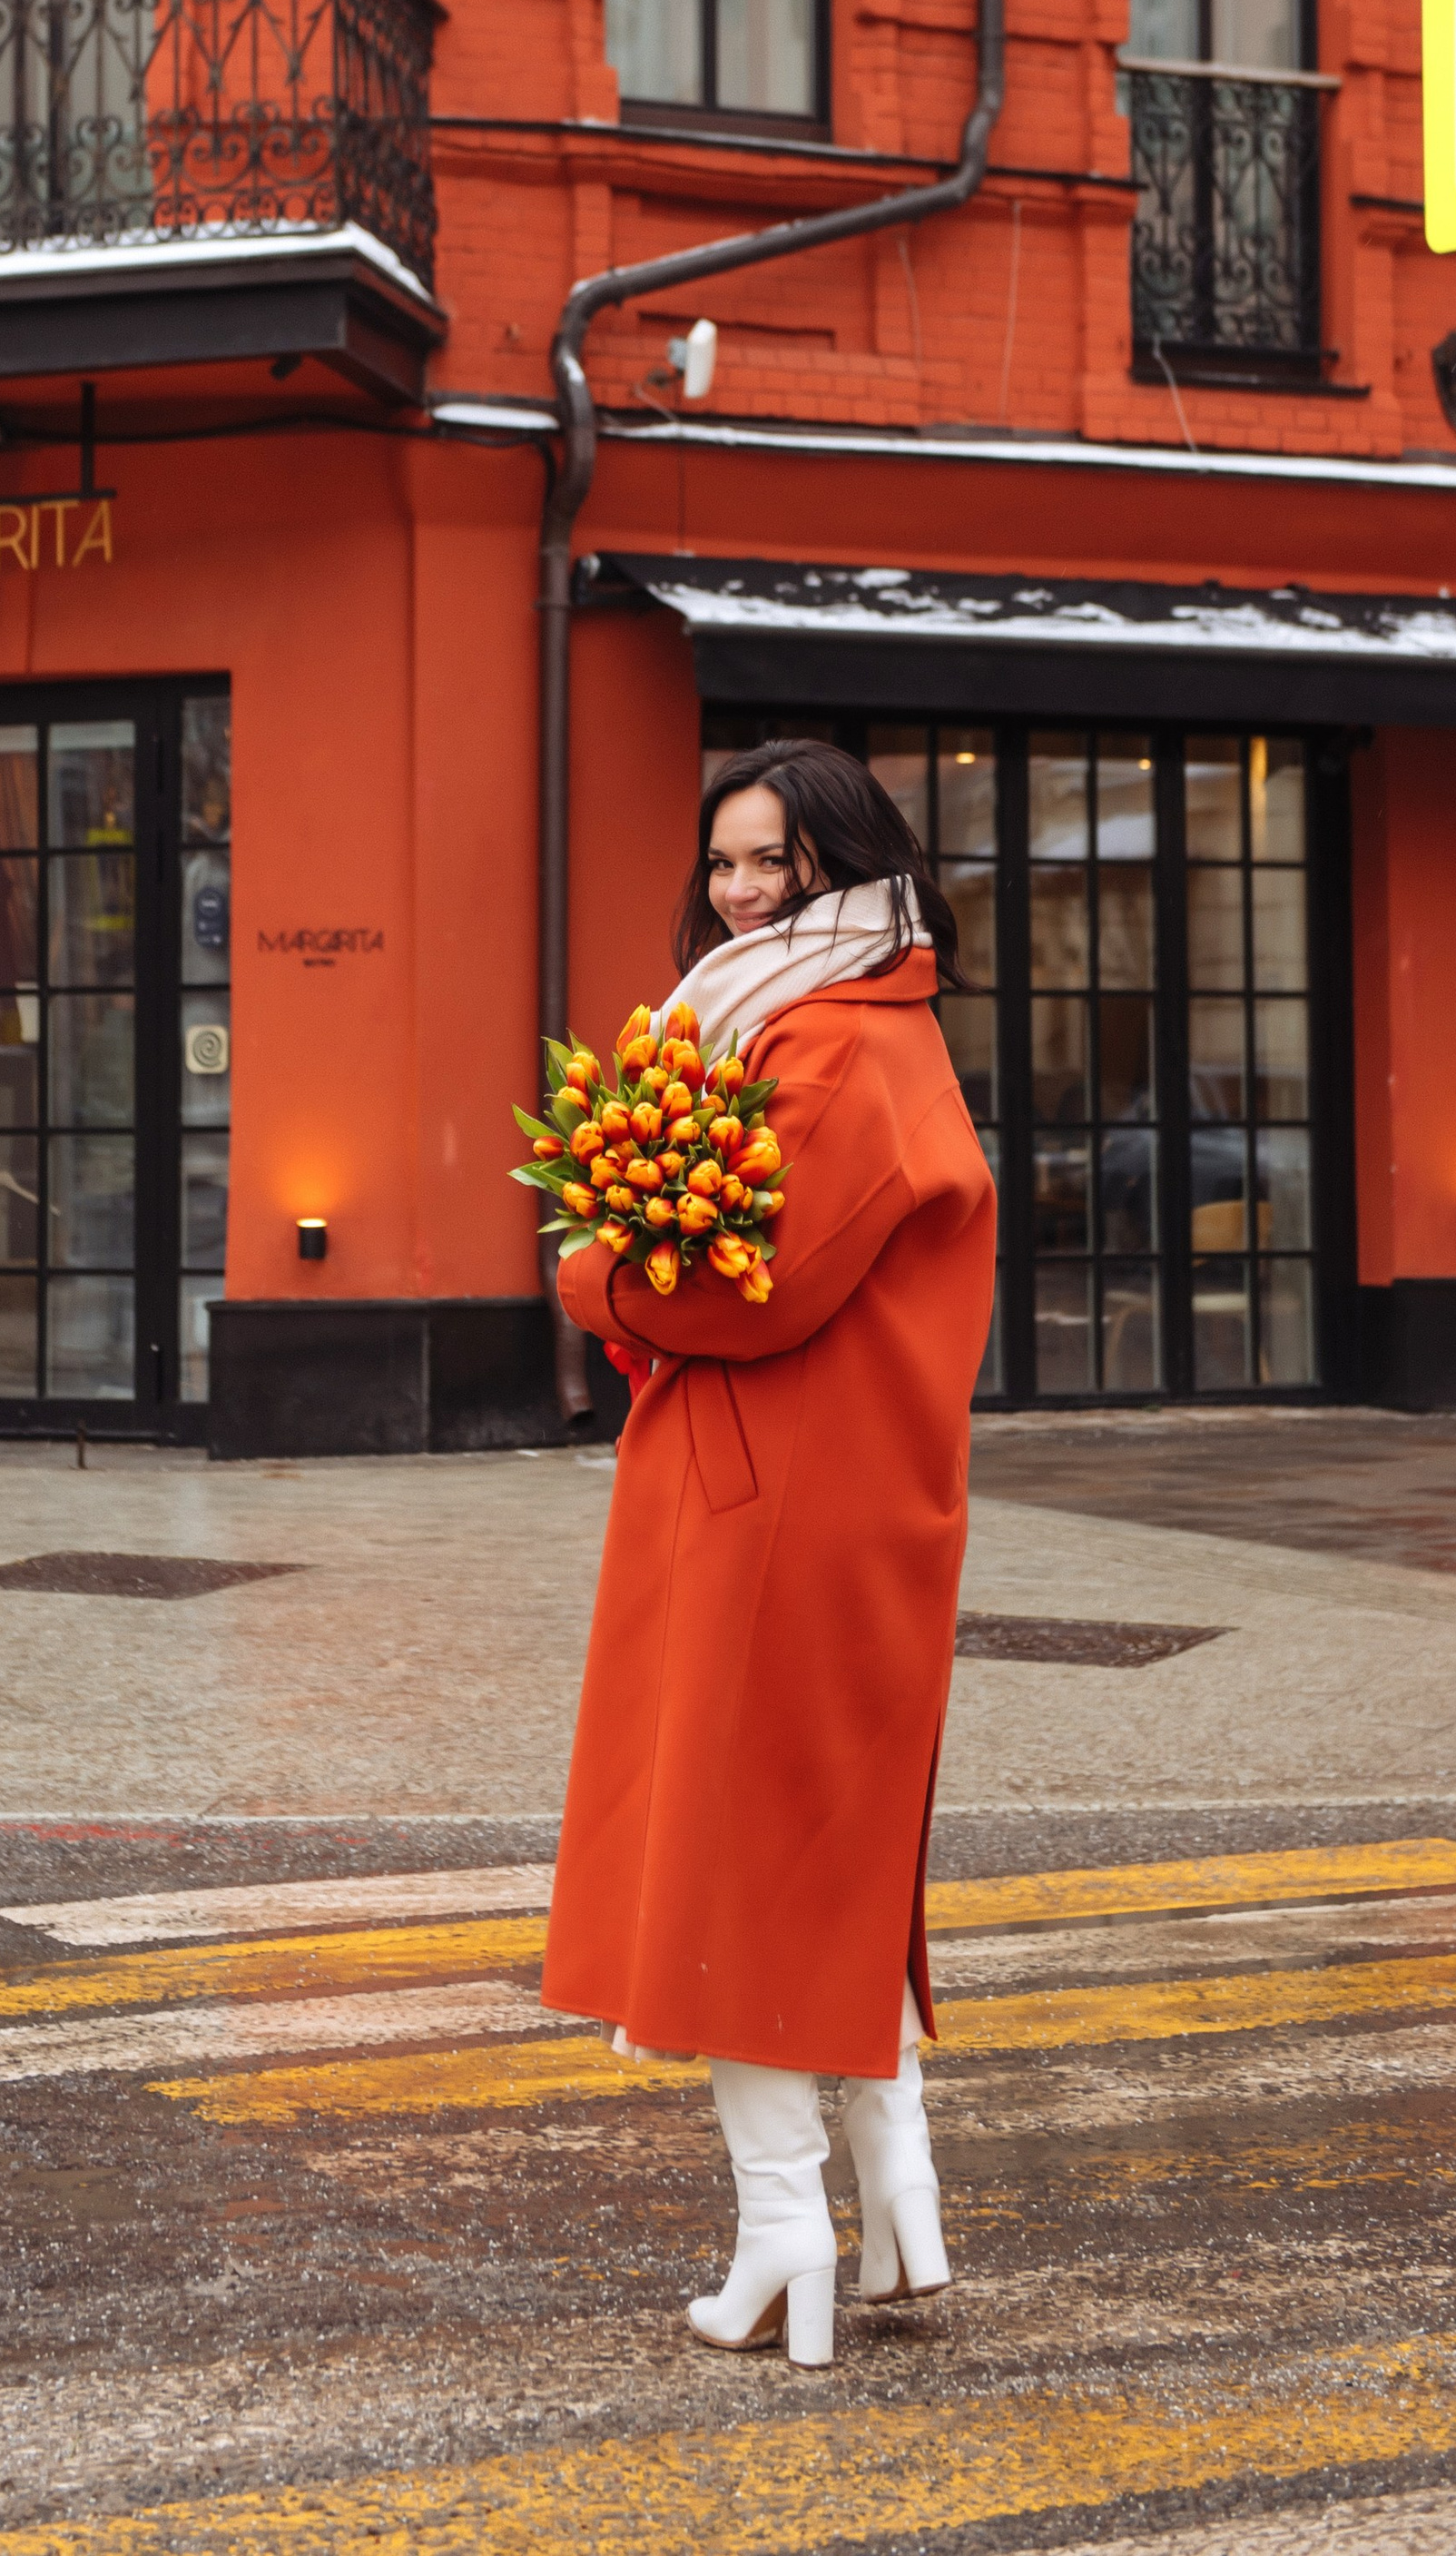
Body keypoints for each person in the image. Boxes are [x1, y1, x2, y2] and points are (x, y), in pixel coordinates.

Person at [541, 740, 995, 2370]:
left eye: (774, 861)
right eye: (726, 860)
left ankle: (780, 2230)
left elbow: (750, 1288)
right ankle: (901, 2203)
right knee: (829, 1846)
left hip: (773, 1498)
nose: (742, 888)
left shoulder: (824, 1039)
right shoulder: (864, 1020)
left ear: (843, 863)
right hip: (831, 1488)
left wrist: (596, 1276)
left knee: (733, 1861)